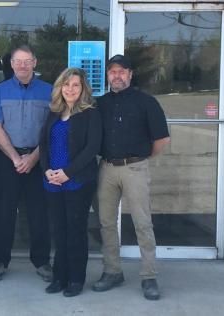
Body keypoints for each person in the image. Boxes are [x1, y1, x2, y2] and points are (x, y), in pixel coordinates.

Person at [92, 54, 170, 300]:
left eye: (122, 71)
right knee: (105, 223)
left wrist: (141, 160)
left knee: (142, 223)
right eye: (112, 71)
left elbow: (161, 140)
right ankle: (112, 271)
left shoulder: (146, 103)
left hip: (135, 168)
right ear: (108, 75)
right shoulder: (99, 104)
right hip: (106, 169)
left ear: (130, 74)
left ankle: (149, 276)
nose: (117, 75)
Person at [0, 45, 53, 281]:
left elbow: (53, 129)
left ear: (35, 62)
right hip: (7, 160)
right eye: (18, 61)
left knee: (39, 213)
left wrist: (33, 157)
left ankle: (42, 261)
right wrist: (15, 157)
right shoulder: (0, 91)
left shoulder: (49, 91)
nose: (22, 65)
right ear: (11, 64)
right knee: (4, 212)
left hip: (39, 159)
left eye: (27, 61)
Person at [38, 68, 102, 297]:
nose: (70, 89)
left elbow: (92, 148)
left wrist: (68, 172)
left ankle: (75, 279)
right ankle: (59, 277)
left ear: (83, 88)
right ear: (60, 87)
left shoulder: (90, 113)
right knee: (59, 230)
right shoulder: (54, 112)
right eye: (66, 85)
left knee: (75, 231)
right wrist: (47, 171)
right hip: (52, 182)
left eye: (75, 85)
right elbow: (43, 145)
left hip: (78, 182)